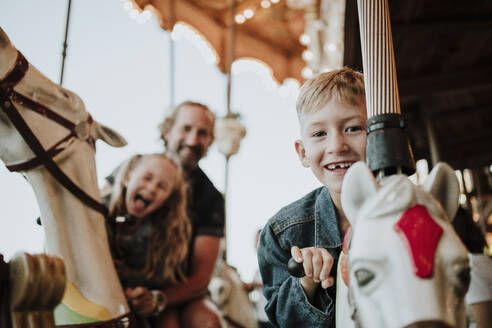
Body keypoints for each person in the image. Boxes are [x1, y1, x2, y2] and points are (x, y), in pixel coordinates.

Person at [257, 68, 366, 327]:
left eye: (353, 128)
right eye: (319, 134)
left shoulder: (406, 214)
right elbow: (284, 320)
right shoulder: (282, 233)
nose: (337, 145)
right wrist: (306, 282)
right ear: (303, 152)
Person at [105, 101, 225, 327]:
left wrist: (158, 299)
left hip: (174, 288)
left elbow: (201, 277)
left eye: (202, 133)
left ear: (209, 141)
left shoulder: (210, 198)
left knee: (203, 321)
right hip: (118, 274)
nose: (192, 140)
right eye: (186, 129)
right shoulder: (136, 166)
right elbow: (98, 204)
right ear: (167, 130)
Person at [105, 153, 191, 327]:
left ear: (167, 198)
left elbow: (162, 279)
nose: (151, 188)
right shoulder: (97, 211)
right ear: (128, 177)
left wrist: (132, 278)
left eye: (162, 187)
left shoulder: (165, 234)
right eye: (147, 178)